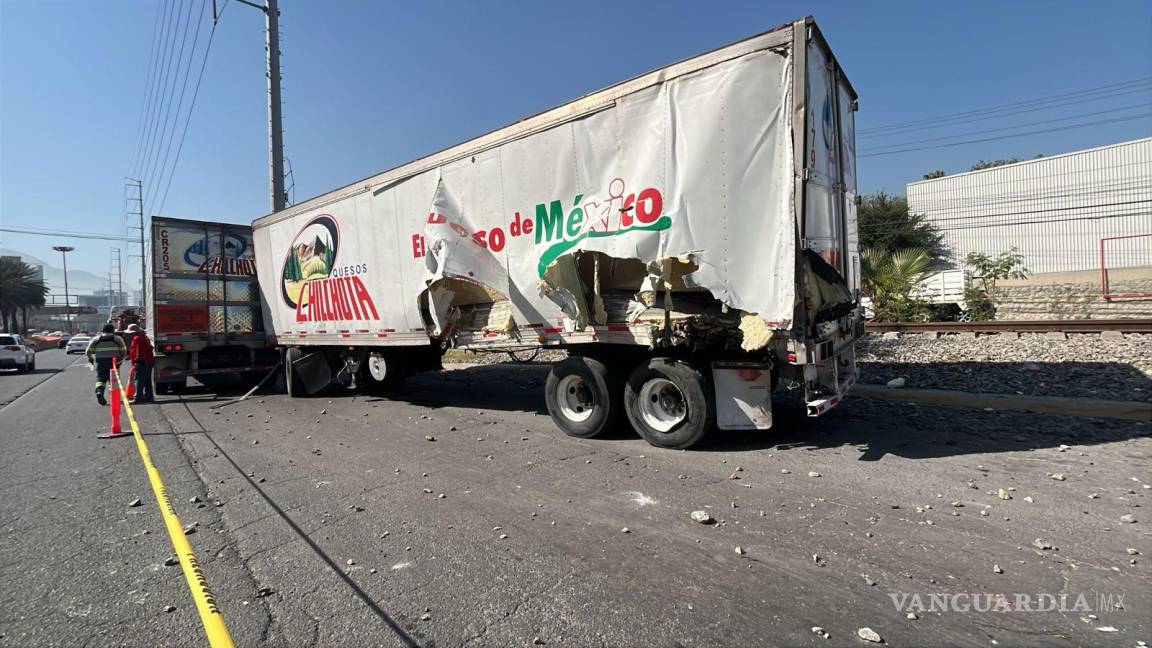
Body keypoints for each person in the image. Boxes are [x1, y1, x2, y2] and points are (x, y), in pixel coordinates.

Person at [85, 323, 127, 406]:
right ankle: (114, 399)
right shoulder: (118, 339)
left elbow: (88, 351)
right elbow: (124, 350)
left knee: (101, 379)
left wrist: (91, 359)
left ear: (103, 330)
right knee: (113, 381)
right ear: (113, 330)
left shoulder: (96, 339)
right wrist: (120, 360)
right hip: (114, 362)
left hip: (101, 362)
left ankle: (99, 391)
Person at [126, 323, 155, 403]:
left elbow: (139, 351)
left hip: (142, 362)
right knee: (147, 380)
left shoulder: (137, 338)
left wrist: (137, 361)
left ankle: (138, 397)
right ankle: (149, 397)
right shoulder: (144, 337)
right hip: (148, 361)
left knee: (139, 379)